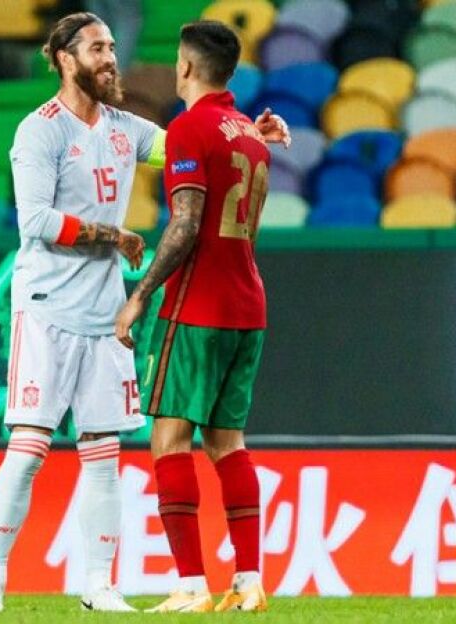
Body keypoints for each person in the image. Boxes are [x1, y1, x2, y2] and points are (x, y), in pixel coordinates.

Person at [0, 12, 289, 613]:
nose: (111, 58)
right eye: (97, 48)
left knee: (103, 453)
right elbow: (34, 220)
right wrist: (113, 236)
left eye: (112, 46)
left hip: (104, 312)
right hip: (47, 307)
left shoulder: (126, 129)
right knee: (30, 446)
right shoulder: (39, 131)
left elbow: (193, 142)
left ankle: (98, 584)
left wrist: (248, 131)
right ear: (64, 59)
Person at [114, 20, 276, 613]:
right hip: (247, 304)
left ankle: (190, 585)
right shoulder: (252, 135)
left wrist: (141, 294)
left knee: (169, 439)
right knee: (228, 442)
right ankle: (249, 580)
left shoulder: (188, 128)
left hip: (196, 305)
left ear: (184, 67)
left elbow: (184, 223)